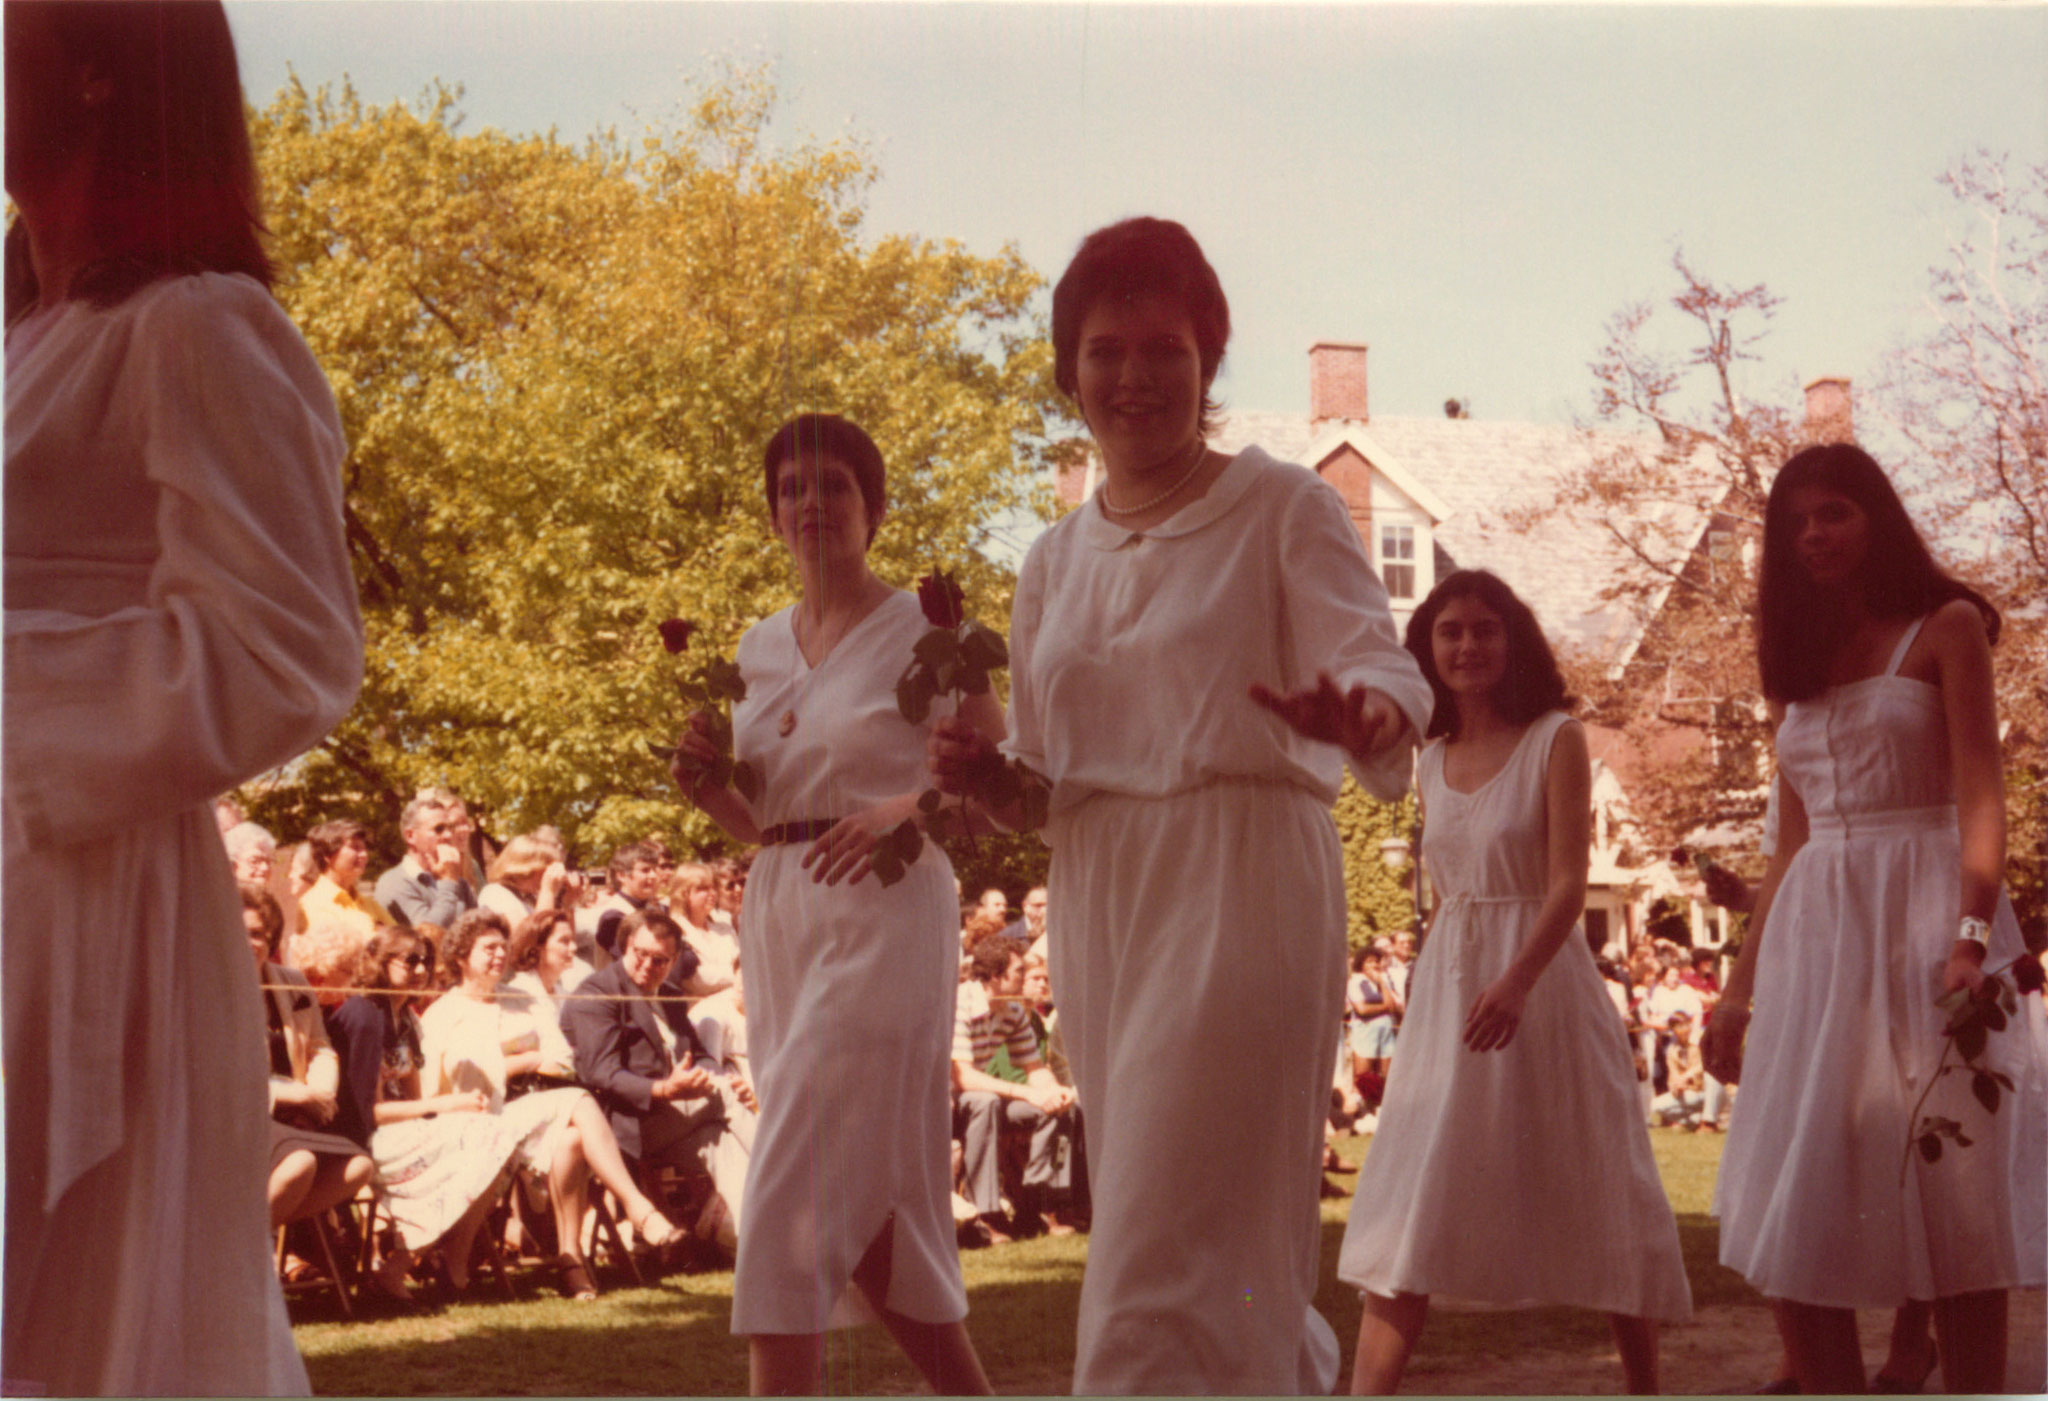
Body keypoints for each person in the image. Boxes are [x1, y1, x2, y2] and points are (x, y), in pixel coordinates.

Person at [929, 217, 1433, 1393]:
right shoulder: (1051, 559)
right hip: (1103, 896)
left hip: (1239, 877)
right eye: (1104, 350)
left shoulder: (1279, 507)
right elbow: (1045, 781)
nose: (1133, 376)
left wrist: (1357, 717)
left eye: (1163, 348)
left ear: (1207, 363)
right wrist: (985, 781)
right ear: (1070, 370)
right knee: (1197, 1238)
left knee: (1161, 1242)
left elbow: (1384, 669)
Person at [2, 3, 365, 1391]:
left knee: (77, 1319)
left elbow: (283, 643)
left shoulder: (197, 326)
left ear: (96, 69)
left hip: (78, 903)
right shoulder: (29, 338)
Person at [1701, 443, 2046, 1393]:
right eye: (1797, 521)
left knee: (1960, 1201)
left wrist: (1971, 941)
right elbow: (1787, 844)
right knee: (1798, 1190)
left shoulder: (1945, 627)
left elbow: (1983, 798)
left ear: (1876, 517)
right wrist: (1736, 988)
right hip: (1821, 941)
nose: (1815, 533)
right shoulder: (1794, 666)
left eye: (1836, 512)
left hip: (1935, 921)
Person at [673, 412, 1001, 1395]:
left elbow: (999, 789)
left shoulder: (933, 630)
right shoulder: (754, 646)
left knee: (791, 1184)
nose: (813, 503)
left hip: (886, 909)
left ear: (873, 507)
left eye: (836, 487)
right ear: (773, 515)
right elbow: (758, 818)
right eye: (792, 490)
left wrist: (911, 802)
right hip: (778, 916)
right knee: (868, 1215)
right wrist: (705, 789)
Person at [1334, 570, 1690, 1393]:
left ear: (1513, 637)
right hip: (1451, 997)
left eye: (1485, 629)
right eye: (1450, 631)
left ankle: (1645, 1388)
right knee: (1412, 1194)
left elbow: (1569, 883)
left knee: (1598, 1180)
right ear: (1427, 646)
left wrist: (1518, 981)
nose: (1467, 646)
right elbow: (1446, 892)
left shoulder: (1554, 736)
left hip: (1543, 990)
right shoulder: (1428, 758)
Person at [419, 909, 681, 1300]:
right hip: (476, 1117)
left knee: (573, 1138)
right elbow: (439, 1088)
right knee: (577, 1100)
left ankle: (570, 1257)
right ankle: (635, 1213)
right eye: (488, 948)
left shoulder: (522, 999)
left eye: (503, 948)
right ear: (461, 956)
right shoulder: (444, 1013)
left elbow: (562, 1058)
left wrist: (503, 1066)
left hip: (536, 1106)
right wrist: (523, 1061)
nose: (499, 955)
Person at [559, 910, 754, 1261]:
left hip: (680, 1116)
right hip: (626, 1123)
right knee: (728, 1097)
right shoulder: (597, 994)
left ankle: (745, 1235)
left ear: (675, 959)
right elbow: (600, 1073)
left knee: (720, 1137)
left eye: (661, 960)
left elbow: (699, 1054)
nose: (649, 965)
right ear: (625, 947)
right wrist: (667, 1090)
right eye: (641, 954)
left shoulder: (669, 996)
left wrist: (710, 1075)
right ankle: (797, 1182)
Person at [246, 885, 374, 1233]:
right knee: (298, 1164)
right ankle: (242, 1253)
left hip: (297, 1114)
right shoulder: (206, 989)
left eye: (258, 933)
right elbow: (214, 1072)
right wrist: (289, 1094)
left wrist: (319, 1092)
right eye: (239, 932)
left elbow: (320, 1047)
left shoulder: (293, 982)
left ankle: (259, 1240)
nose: (250, 942)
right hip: (239, 1114)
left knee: (357, 1166)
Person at [951, 935, 1079, 1244]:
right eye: (1019, 971)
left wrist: (1053, 1091)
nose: (1026, 977)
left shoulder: (1013, 1010)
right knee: (985, 1101)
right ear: (996, 976)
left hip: (978, 1096)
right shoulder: (960, 1003)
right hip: (944, 1101)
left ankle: (1036, 1203)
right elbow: (962, 1078)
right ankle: (986, 1213)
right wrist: (1027, 1093)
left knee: (1059, 1107)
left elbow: (1034, 1070)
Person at [374, 794, 477, 929]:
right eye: (439, 829)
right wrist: (448, 883)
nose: (449, 835)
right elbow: (428, 937)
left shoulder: (458, 882)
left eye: (450, 828)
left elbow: (478, 930)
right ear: (410, 836)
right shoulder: (394, 883)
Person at [297, 819, 394, 937]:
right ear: (327, 854)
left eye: (364, 848)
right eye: (355, 848)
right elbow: (335, 949)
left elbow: (401, 941)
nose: (364, 855)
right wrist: (379, 933)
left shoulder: (369, 904)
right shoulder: (313, 903)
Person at [478, 832, 582, 926]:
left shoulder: (531, 898)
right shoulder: (495, 893)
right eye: (549, 868)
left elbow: (564, 942)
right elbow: (528, 939)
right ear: (529, 868)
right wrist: (548, 891)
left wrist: (568, 903)